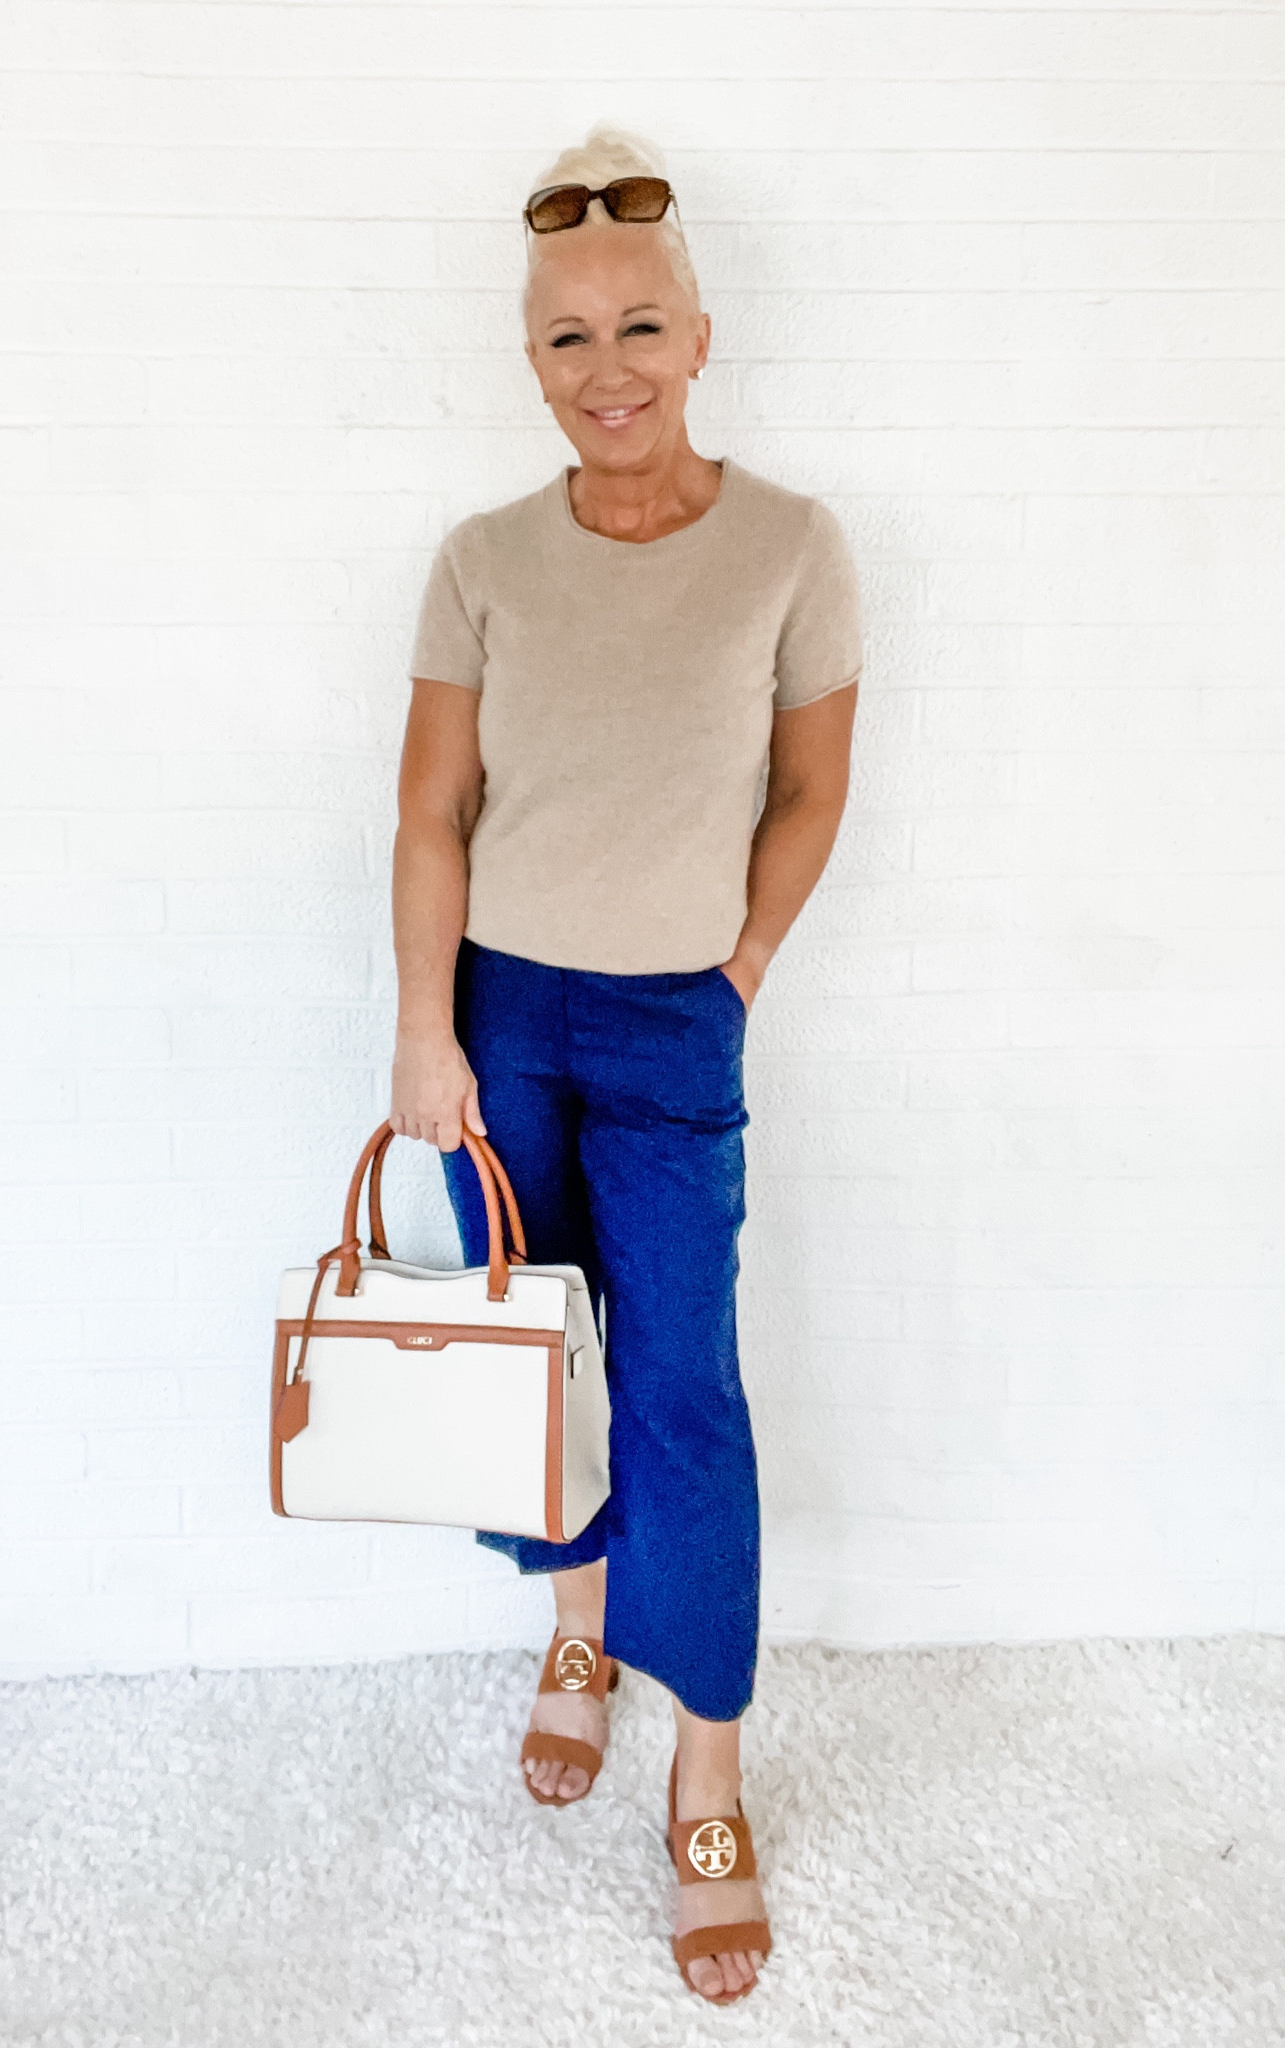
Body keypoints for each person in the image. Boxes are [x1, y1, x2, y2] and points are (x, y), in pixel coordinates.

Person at [387, 123, 862, 2005]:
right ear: (532, 359)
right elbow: (431, 812)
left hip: (675, 1016)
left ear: (699, 334)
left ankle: (711, 1766)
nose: (609, 373)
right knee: (540, 1369)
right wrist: (426, 1033)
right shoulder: (480, 559)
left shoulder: (792, 548)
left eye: (639, 329)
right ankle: (574, 1630)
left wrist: (735, 963)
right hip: (500, 1017)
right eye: (569, 340)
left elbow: (816, 788)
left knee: (683, 1391)